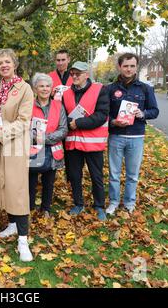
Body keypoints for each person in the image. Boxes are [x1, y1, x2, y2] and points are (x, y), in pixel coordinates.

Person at [0, 48, 34, 262]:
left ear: (14, 64)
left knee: (17, 189)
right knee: (2, 185)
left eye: (7, 62)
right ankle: (12, 225)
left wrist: (1, 133)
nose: (4, 65)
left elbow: (24, 121)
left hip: (14, 145)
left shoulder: (25, 89)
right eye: (0, 62)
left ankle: (23, 240)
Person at [106, 53, 159, 215]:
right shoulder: (110, 89)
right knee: (114, 174)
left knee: (132, 175)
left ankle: (129, 202)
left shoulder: (145, 88)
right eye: (125, 66)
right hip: (116, 136)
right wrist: (113, 122)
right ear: (119, 67)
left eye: (132, 66)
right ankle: (114, 202)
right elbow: (104, 113)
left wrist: (142, 114)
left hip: (136, 137)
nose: (129, 69)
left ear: (136, 67)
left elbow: (155, 111)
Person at [62, 61, 109, 221]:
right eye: (72, 74)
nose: (74, 76)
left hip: (93, 143)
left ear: (86, 75)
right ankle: (78, 203)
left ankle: (99, 206)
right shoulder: (66, 93)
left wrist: (78, 123)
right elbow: (62, 115)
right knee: (75, 175)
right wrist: (69, 122)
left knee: (96, 176)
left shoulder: (100, 90)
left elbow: (102, 115)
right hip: (73, 143)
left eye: (78, 73)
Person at [29, 73, 67, 218]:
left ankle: (45, 209)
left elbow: (63, 129)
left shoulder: (58, 106)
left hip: (52, 151)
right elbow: (25, 127)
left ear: (51, 89)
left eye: (47, 86)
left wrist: (44, 138)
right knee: (31, 181)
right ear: (35, 88)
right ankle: (30, 207)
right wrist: (35, 137)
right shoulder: (29, 106)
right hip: (32, 150)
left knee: (48, 182)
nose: (45, 89)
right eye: (41, 86)